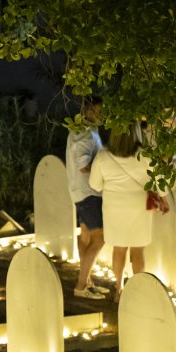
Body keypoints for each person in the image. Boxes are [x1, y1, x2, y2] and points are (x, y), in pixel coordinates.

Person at [88, 130, 157, 300]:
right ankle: (138, 290)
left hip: (114, 209)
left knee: (119, 249)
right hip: (139, 207)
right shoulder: (145, 155)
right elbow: (157, 180)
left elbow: (94, 185)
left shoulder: (103, 156)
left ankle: (118, 288)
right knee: (138, 250)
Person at [65, 97, 108, 299]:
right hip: (89, 192)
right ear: (87, 111)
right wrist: (106, 170)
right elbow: (83, 166)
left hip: (79, 191)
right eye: (98, 111)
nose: (100, 115)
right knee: (100, 239)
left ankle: (87, 282)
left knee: (86, 237)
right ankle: (81, 286)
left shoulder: (78, 131)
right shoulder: (85, 135)